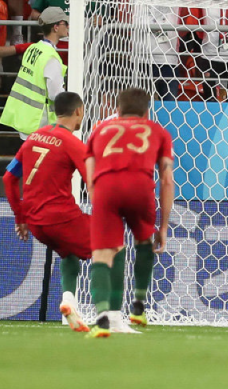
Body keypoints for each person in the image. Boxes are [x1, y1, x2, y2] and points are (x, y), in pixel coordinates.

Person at [84, 88, 175, 338]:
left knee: (102, 254)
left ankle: (103, 317)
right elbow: (167, 180)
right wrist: (164, 227)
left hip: (106, 189)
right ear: (147, 111)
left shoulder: (100, 129)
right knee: (144, 241)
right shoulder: (158, 131)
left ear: (118, 110)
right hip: (140, 187)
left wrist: (99, 201)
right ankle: (138, 305)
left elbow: (89, 172)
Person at [1, 92, 91, 333]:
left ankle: (68, 302)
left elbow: (8, 178)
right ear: (79, 111)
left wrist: (20, 216)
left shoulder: (33, 138)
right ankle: (112, 317)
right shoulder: (73, 143)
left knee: (69, 254)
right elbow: (93, 182)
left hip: (36, 223)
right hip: (62, 218)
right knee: (113, 247)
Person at [0, 7, 68, 139]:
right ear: (56, 27)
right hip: (39, 122)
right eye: (65, 23)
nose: (68, 26)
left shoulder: (33, 48)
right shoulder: (51, 57)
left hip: (25, 116)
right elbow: (55, 95)